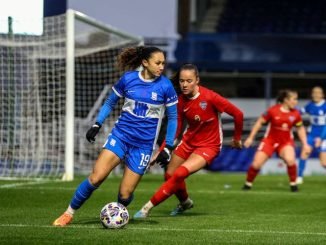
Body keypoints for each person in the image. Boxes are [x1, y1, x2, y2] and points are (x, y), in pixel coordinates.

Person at [53, 46, 178, 226]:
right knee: (96, 177)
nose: (161, 67)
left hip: (143, 146)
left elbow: (173, 117)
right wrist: (97, 124)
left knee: (125, 195)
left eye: (163, 63)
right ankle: (68, 213)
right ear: (145, 63)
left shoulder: (165, 86)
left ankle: (119, 210)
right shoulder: (128, 79)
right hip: (121, 137)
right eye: (157, 63)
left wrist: (168, 146)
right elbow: (111, 102)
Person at [134, 63, 243, 218]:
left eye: (189, 81)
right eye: (181, 81)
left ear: (197, 80)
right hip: (188, 142)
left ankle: (146, 208)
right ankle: (185, 202)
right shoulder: (180, 101)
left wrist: (237, 139)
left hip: (209, 146)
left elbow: (238, 114)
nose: (184, 84)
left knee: (179, 174)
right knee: (169, 174)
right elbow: (176, 129)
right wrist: (162, 149)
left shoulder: (211, 97)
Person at [242, 89, 310, 192]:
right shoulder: (272, 110)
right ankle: (248, 184)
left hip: (286, 142)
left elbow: (300, 128)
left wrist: (305, 144)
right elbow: (260, 122)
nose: (296, 102)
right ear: (286, 100)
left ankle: (294, 185)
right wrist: (251, 137)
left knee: (290, 159)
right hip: (270, 140)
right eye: (294, 99)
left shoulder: (296, 114)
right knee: (256, 164)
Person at [297, 86, 326, 184]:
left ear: (322, 95)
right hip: (312, 135)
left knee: (324, 163)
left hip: (324, 136)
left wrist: (321, 138)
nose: (316, 94)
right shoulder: (310, 105)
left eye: (318, 93)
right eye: (314, 92)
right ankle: (299, 177)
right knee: (304, 152)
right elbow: (298, 112)